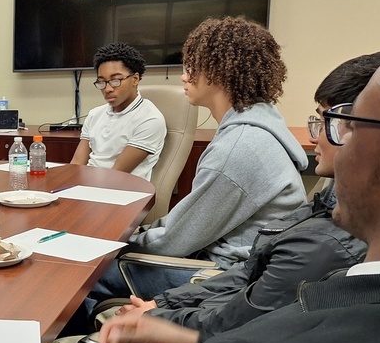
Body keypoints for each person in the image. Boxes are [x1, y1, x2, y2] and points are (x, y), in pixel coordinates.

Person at [16, 51, 380, 343]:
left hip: (198, 305)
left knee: (82, 282)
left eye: (343, 125)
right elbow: (248, 287)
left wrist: (167, 315)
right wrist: (182, 332)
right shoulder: (339, 279)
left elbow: (237, 302)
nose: (320, 141)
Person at [114, 51, 380, 336]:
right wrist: (162, 305)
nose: (314, 137)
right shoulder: (325, 209)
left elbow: (237, 315)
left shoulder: (241, 149)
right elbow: (250, 278)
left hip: (213, 276)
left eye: (327, 123)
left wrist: (158, 316)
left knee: (97, 272)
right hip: (225, 283)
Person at [91, 17, 308, 304]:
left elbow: (176, 241)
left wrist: (118, 243)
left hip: (221, 277)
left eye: (191, 67)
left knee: (86, 274)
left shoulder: (239, 147)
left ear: (218, 72)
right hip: (234, 263)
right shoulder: (260, 125)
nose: (184, 76)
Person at [70, 42, 167, 181]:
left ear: (135, 79)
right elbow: (76, 165)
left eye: (115, 80)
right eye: (101, 82)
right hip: (89, 187)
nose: (108, 89)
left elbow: (116, 175)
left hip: (123, 192)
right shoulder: (94, 115)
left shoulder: (150, 119)